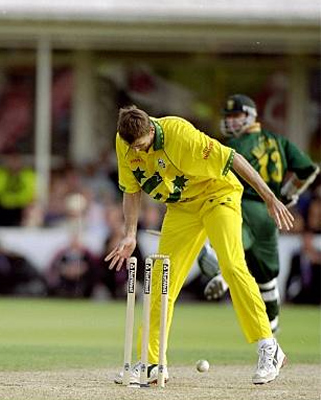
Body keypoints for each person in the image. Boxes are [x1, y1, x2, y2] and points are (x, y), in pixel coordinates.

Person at [105, 105, 294, 386]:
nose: (139, 154)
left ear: (151, 131)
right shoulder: (126, 144)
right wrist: (130, 233)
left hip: (219, 195)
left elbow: (235, 159)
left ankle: (269, 346)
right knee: (160, 282)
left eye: (143, 147)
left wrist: (269, 198)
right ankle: (153, 363)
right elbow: (131, 190)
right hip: (182, 208)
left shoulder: (182, 136)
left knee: (231, 266)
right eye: (134, 149)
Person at [199, 94, 319, 333]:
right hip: (270, 213)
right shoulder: (278, 141)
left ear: (251, 116)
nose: (231, 121)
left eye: (237, 116)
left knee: (227, 245)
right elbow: (307, 170)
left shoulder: (234, 146)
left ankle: (222, 273)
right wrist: (286, 194)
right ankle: (272, 329)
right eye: (229, 116)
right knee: (267, 277)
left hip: (243, 205)